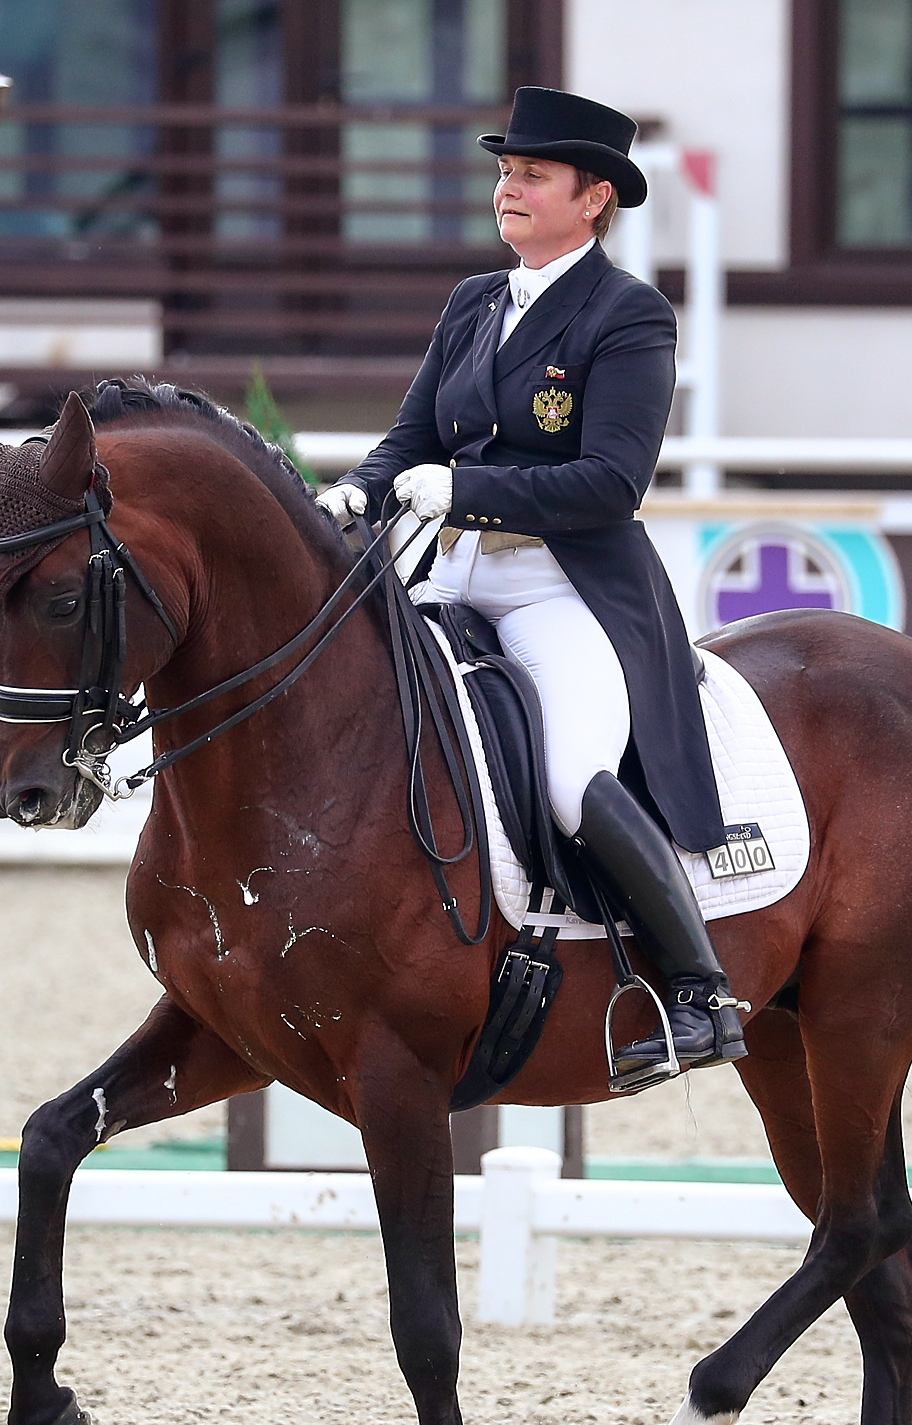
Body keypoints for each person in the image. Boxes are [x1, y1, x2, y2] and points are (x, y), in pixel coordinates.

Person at [317, 87, 745, 1078]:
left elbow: (611, 481)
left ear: (592, 198)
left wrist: (467, 486)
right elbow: (413, 436)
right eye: (505, 172)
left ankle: (697, 993)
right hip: (446, 570)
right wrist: (352, 492)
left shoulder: (628, 314)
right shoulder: (475, 301)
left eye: (532, 175)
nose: (508, 188)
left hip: (561, 585)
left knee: (568, 776)